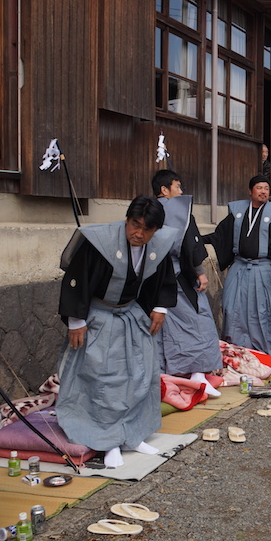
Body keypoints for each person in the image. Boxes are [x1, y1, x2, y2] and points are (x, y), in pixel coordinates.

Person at [57, 196, 178, 468]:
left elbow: (163, 276)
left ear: (156, 230)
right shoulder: (99, 242)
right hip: (100, 317)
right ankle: (107, 439)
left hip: (131, 314)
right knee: (103, 378)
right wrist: (76, 320)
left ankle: (132, 434)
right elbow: (76, 277)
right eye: (135, 224)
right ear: (127, 220)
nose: (139, 233)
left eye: (147, 229)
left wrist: (160, 306)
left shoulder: (157, 244)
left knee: (141, 373)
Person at [204, 175, 271, 354]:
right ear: (250, 191)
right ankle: (237, 346)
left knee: (264, 309)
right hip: (239, 268)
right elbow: (220, 235)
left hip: (263, 268)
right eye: (259, 188)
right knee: (232, 307)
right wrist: (197, 240)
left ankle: (265, 347)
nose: (263, 192)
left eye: (266, 188)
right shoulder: (238, 212)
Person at [152, 170, 221, 397]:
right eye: (177, 187)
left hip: (153, 277)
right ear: (164, 190)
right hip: (180, 275)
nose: (181, 192)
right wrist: (199, 272)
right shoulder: (181, 212)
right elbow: (190, 246)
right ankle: (197, 375)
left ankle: (164, 375)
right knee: (198, 323)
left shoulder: (147, 210)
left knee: (161, 327)